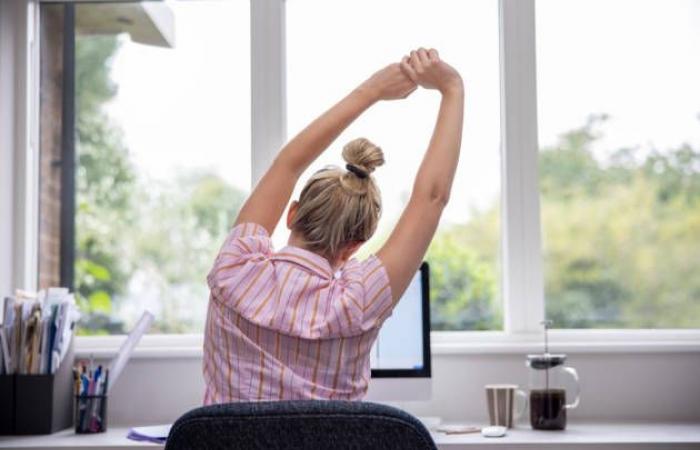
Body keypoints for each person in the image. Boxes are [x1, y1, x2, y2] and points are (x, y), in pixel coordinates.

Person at [203, 48, 464, 404]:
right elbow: (431, 199)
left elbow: (287, 166)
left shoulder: (235, 268)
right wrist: (452, 88)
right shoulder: (358, 301)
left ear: (291, 213)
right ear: (355, 245)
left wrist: (371, 91)